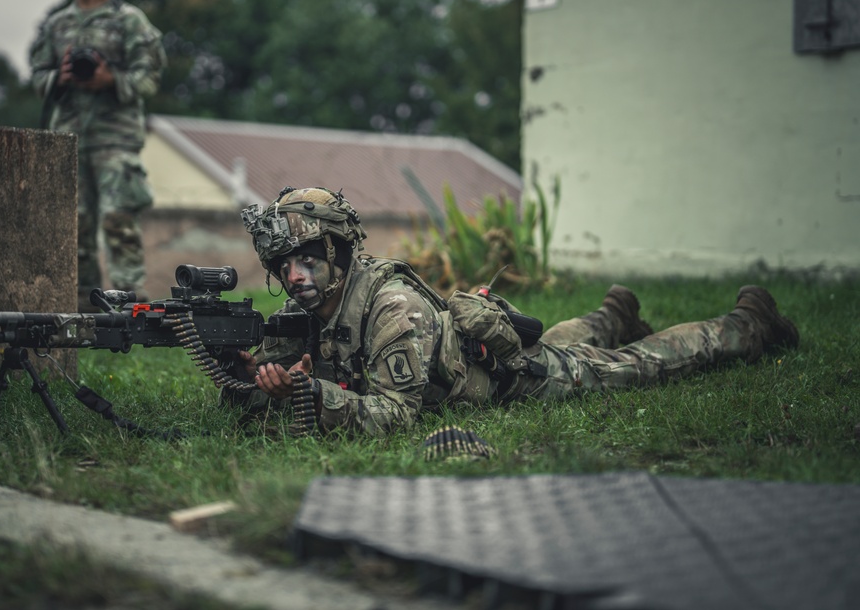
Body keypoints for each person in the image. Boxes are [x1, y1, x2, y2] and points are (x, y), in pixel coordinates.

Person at [226, 186, 800, 437]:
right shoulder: (312, 307)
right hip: (481, 354)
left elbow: (397, 416)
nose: (294, 275)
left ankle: (749, 324)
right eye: (284, 264)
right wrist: (248, 376)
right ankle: (614, 311)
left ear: (337, 251)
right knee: (562, 339)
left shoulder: (389, 306)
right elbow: (269, 386)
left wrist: (308, 396)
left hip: (510, 378)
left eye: (307, 259)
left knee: (633, 366)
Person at [28, 0, 166, 307]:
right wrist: (60, 76)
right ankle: (82, 311)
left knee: (118, 222)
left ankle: (129, 310)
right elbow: (37, 76)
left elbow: (150, 74)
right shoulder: (58, 24)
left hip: (115, 139)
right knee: (75, 229)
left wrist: (112, 79)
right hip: (69, 140)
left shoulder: (129, 20)